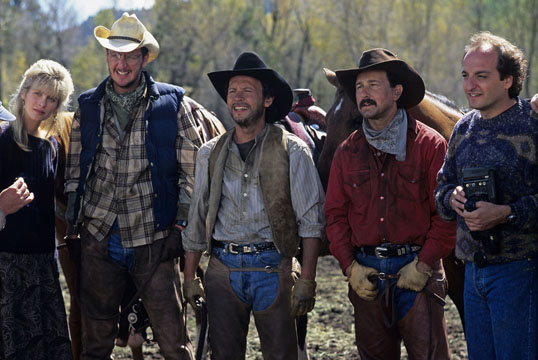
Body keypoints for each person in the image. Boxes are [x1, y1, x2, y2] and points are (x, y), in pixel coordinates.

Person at [64, 12, 215, 359]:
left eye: (130, 55)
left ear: (144, 58)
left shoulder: (174, 105)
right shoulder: (87, 107)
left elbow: (193, 173)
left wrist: (181, 225)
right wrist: (75, 225)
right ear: (106, 57)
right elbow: (75, 172)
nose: (121, 63)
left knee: (174, 341)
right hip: (99, 238)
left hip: (153, 237)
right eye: (115, 55)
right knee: (95, 341)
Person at [181, 51, 325, 360]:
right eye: (233, 91)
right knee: (223, 355)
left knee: (281, 355)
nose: (238, 97)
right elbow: (197, 219)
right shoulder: (210, 152)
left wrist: (308, 280)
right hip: (222, 270)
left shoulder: (293, 150)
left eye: (247, 90)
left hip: (274, 269)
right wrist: (191, 276)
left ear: (268, 100)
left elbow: (311, 221)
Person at [325, 48, 456, 359]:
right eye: (359, 87)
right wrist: (350, 267)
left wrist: (424, 265)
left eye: (373, 85)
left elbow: (446, 216)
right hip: (367, 274)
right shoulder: (347, 151)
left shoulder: (429, 145)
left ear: (397, 91)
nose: (364, 94)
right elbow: (335, 216)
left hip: (417, 274)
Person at [435, 32, 538, 359]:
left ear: (508, 79)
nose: (470, 85)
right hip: (472, 275)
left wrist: (506, 212)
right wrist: (451, 199)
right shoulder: (463, 129)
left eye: (481, 76)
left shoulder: (532, 126)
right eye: (465, 76)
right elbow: (441, 188)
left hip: (520, 272)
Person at [0, 59, 74, 359]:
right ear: (24, 93)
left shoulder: (51, 147)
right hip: (5, 269)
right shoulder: (2, 139)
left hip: (43, 267)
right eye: (38, 94)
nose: (42, 103)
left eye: (52, 98)